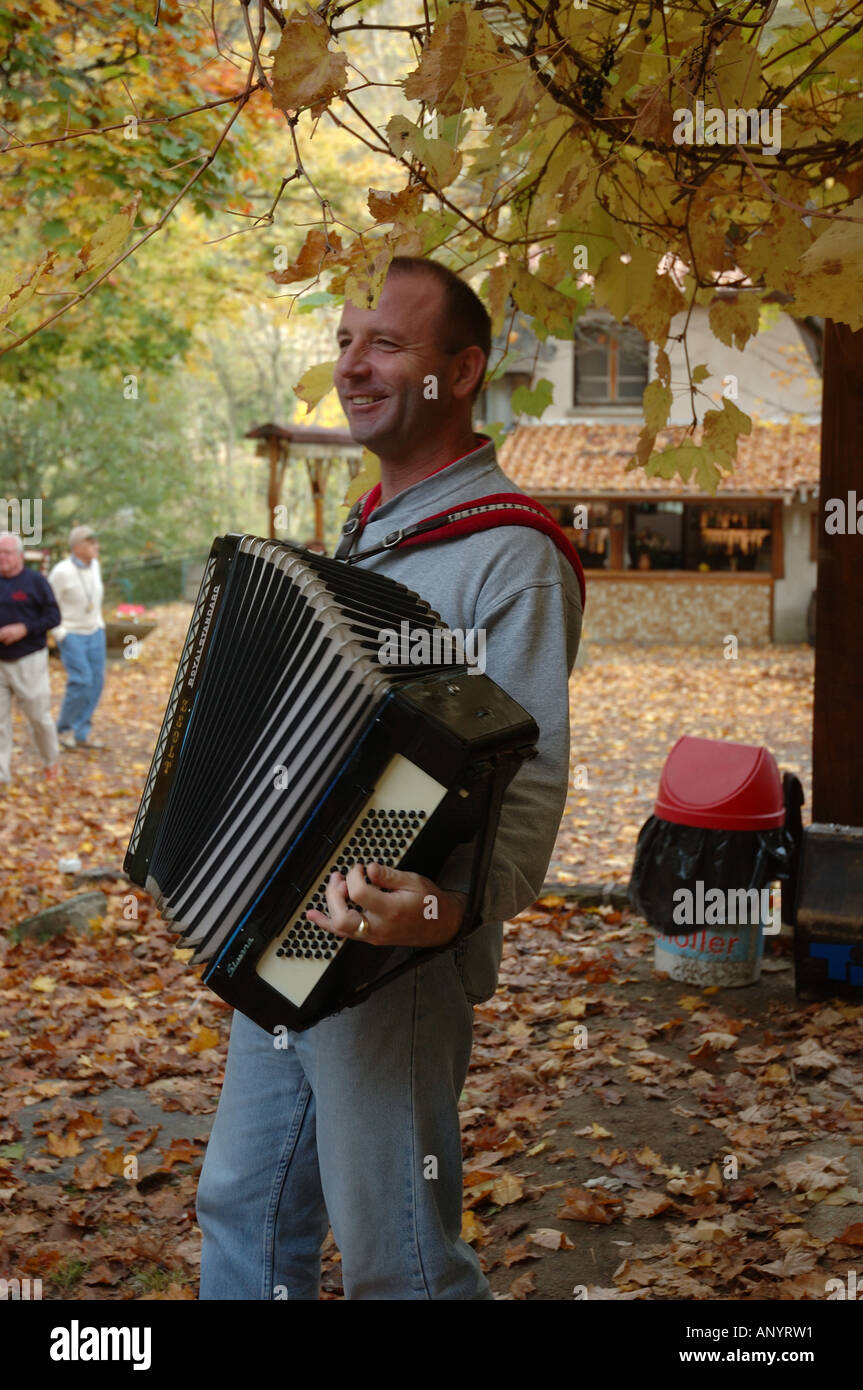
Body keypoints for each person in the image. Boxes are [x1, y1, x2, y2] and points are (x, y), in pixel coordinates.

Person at [196, 256, 584, 1300]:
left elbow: (531, 776)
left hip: (395, 965)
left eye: (385, 345)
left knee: (398, 1259)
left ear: (459, 372)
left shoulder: (510, 552)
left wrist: (452, 908)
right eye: (343, 342)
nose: (353, 367)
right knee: (243, 1204)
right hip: (286, 932)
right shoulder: (368, 531)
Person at [0, 532, 61, 784]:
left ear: (20, 555)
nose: (2, 557)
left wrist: (23, 628)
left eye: (7, 552)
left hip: (29, 660)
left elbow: (54, 618)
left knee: (38, 717)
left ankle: (51, 761)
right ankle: (2, 775)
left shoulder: (36, 582)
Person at [48, 526, 107, 751]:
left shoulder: (96, 566)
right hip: (71, 633)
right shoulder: (61, 571)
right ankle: (62, 731)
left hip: (95, 632)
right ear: (77, 546)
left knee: (96, 682)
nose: (97, 547)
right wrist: (60, 633)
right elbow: (48, 604)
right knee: (81, 680)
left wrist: (99, 624)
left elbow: (94, 598)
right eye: (92, 543)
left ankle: (81, 734)